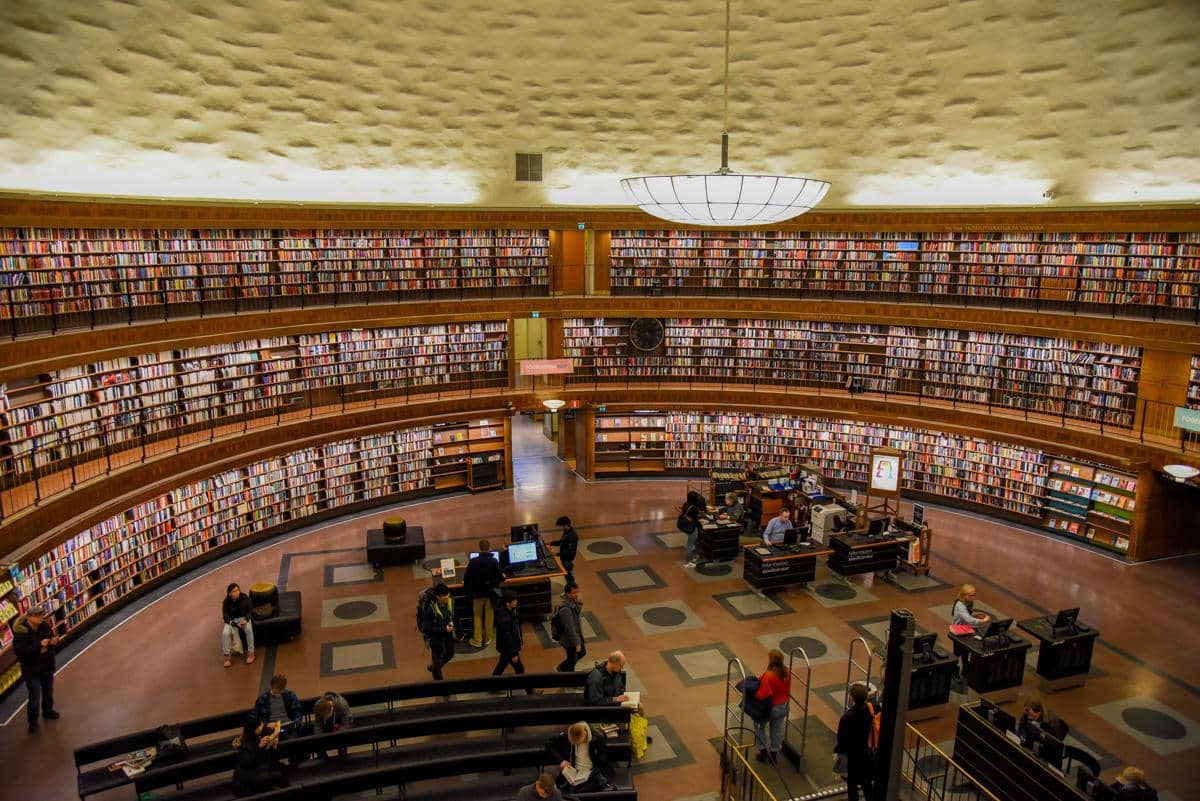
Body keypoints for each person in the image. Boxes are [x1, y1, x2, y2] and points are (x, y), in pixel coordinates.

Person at [12, 605, 60, 733]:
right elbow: (21, 653)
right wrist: (39, 645)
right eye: (37, 616)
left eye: (41, 615)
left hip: (46, 665)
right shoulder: (20, 633)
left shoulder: (44, 626)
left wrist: (52, 642)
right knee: (34, 696)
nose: (40, 618)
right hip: (32, 670)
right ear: (29, 617)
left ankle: (48, 711)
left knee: (48, 691)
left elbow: (50, 637)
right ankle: (33, 722)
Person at [231, 714, 289, 797]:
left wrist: (272, 744)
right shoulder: (243, 743)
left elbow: (264, 758)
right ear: (255, 728)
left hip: (257, 773)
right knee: (277, 776)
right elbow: (249, 763)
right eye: (261, 725)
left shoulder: (255, 736)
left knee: (279, 773)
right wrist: (259, 747)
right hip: (246, 782)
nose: (262, 727)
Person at [835, 682, 875, 801]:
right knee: (867, 785)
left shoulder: (847, 718)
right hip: (866, 755)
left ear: (852, 698)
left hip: (852, 758)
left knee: (852, 787)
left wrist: (839, 755)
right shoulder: (870, 711)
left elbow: (841, 740)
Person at [549, 721, 612, 793]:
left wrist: (591, 773)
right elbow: (550, 744)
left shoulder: (597, 738)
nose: (578, 745)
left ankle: (574, 791)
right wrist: (561, 760)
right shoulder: (569, 734)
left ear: (585, 733)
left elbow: (602, 761)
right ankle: (575, 790)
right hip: (573, 771)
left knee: (601, 782)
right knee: (560, 785)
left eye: (580, 742)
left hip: (591, 772)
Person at [753, 649, 791, 764]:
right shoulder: (786, 671)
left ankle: (763, 750)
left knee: (759, 726)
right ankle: (774, 755)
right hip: (784, 706)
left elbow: (761, 694)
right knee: (776, 730)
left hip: (771, 708)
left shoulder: (769, 676)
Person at [463, 540, 502, 648]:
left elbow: (466, 577)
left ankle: (478, 640)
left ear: (479, 548)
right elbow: (499, 576)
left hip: (477, 594)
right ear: (489, 547)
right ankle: (488, 638)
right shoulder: (494, 561)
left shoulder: (473, 561)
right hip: (490, 593)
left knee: (477, 616)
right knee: (489, 616)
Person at [951, 584, 991, 677]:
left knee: (965, 653)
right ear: (964, 595)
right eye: (971, 595)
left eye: (974, 595)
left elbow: (967, 615)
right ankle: (953, 670)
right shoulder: (960, 605)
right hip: (958, 632)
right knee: (957, 653)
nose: (974, 597)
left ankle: (965, 670)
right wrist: (982, 620)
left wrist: (974, 615)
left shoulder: (968, 603)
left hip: (966, 630)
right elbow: (968, 619)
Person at [422, 582, 460, 680]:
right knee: (437, 664)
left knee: (450, 654)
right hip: (436, 641)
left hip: (448, 637)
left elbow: (454, 615)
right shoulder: (430, 610)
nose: (447, 597)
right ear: (438, 597)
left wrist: (459, 631)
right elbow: (426, 628)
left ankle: (434, 667)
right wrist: (444, 629)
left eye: (447, 595)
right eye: (444, 596)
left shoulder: (449, 602)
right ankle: (442, 688)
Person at [253, 674, 303, 742]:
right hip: (270, 730)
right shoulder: (262, 700)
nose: (277, 695)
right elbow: (256, 718)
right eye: (275, 692)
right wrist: (266, 725)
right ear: (271, 686)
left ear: (284, 688)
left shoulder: (290, 695)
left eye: (280, 692)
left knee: (291, 743)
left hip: (287, 728)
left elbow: (298, 711)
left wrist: (295, 723)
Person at [493, 590, 528, 683]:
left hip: (507, 648)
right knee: (520, 669)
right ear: (507, 602)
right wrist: (514, 653)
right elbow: (507, 637)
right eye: (514, 600)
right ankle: (530, 690)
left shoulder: (512, 611)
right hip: (509, 649)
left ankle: (492, 685)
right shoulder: (504, 619)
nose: (516, 602)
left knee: (501, 666)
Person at [221, 582, 256, 668]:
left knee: (248, 630)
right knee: (225, 633)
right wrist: (233, 624)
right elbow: (225, 616)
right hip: (232, 621)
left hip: (243, 619)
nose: (237, 592)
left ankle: (251, 653)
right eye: (234, 591)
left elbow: (250, 611)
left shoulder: (245, 598)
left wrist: (246, 620)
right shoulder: (226, 602)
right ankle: (226, 656)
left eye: (238, 590)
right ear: (229, 593)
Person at [554, 581, 585, 672]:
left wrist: (579, 602)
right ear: (568, 594)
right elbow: (569, 629)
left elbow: (577, 613)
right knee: (572, 660)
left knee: (582, 652)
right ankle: (570, 677)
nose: (577, 594)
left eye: (578, 592)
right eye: (574, 593)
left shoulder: (574, 602)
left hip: (577, 635)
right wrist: (576, 643)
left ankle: (563, 666)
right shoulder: (565, 610)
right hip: (569, 639)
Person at [313, 691, 353, 759]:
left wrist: (335, 738)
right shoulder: (318, 705)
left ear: (331, 710)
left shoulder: (342, 705)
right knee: (317, 743)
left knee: (342, 741)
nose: (324, 717)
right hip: (328, 726)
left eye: (326, 716)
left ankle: (342, 758)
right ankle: (323, 759)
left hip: (343, 724)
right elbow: (318, 724)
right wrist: (319, 739)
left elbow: (345, 725)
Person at [550, 516, 579, 581]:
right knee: (567, 575)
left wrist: (556, 554)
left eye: (561, 526)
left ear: (565, 525)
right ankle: (571, 587)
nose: (560, 528)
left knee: (569, 575)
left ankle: (573, 587)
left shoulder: (572, 536)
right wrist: (550, 543)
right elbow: (561, 542)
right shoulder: (567, 531)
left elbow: (571, 552)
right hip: (564, 558)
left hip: (568, 560)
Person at [680, 489, 704, 568]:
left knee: (692, 543)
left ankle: (693, 556)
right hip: (692, 528)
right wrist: (701, 524)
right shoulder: (694, 508)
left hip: (686, 526)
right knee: (690, 544)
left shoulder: (686, 504)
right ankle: (687, 562)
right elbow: (696, 519)